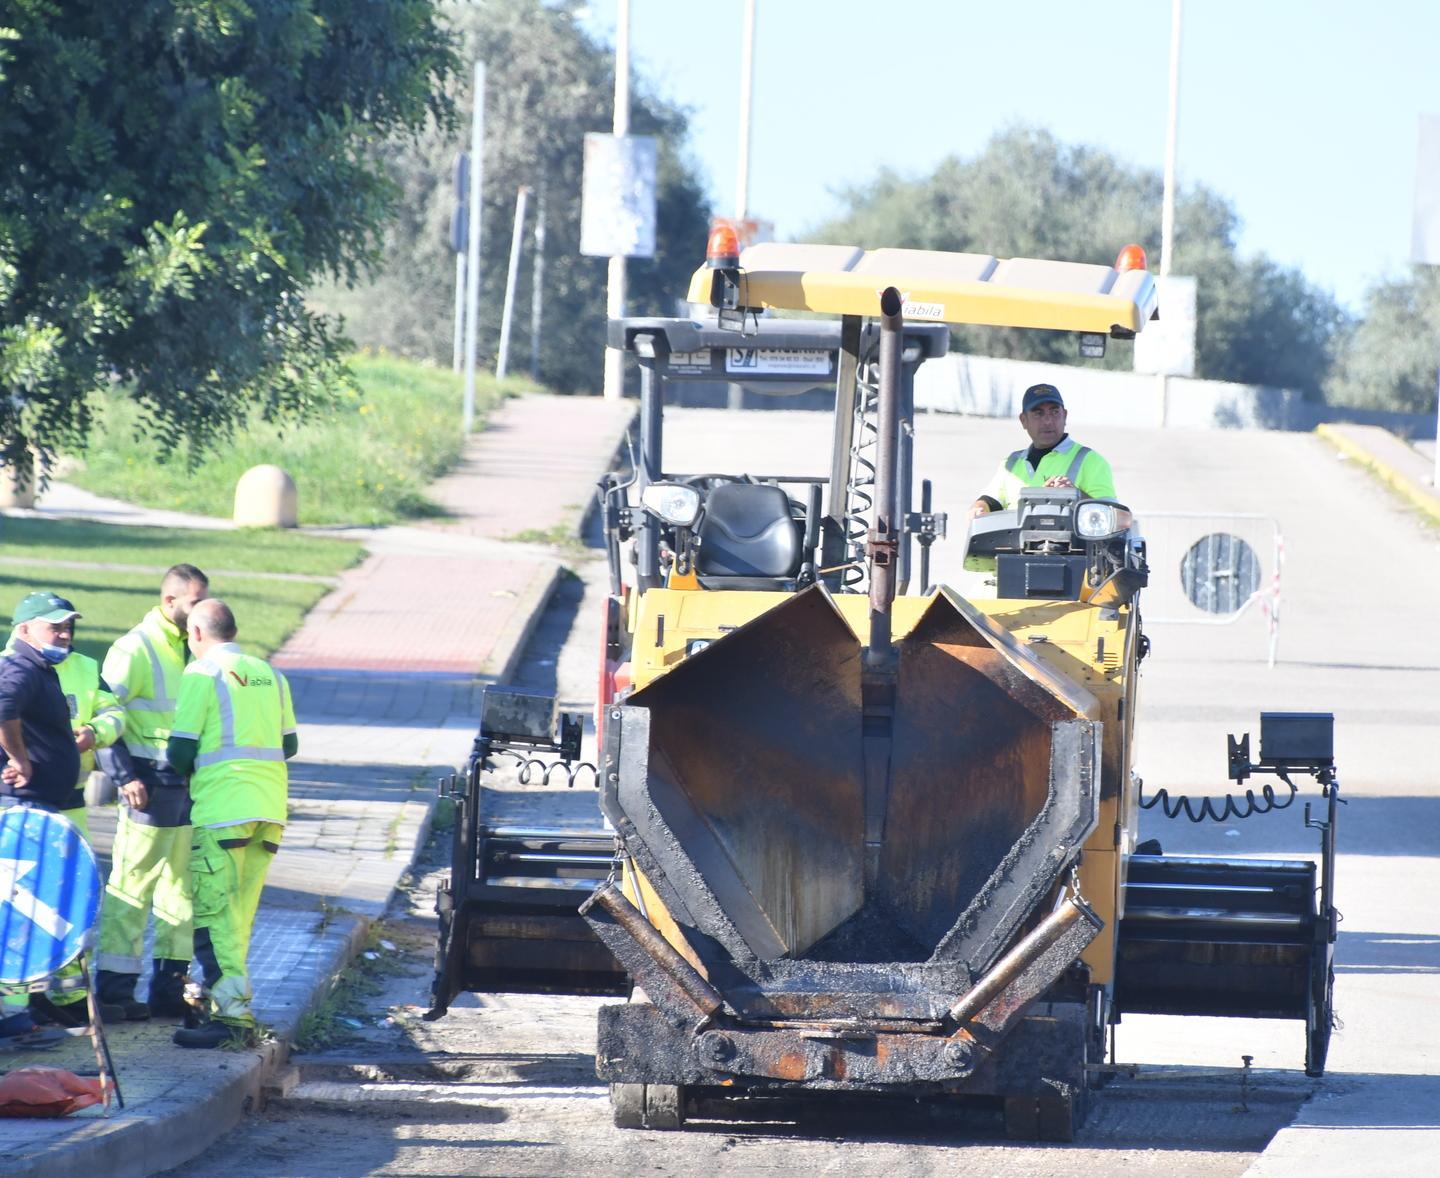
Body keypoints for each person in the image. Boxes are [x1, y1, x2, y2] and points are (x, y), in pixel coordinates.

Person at [167, 599, 297, 1048]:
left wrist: (191, 767)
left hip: (223, 811)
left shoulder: (201, 674)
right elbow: (290, 743)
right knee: (239, 916)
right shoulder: (270, 674)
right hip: (270, 810)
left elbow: (180, 751)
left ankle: (234, 1020)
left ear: (198, 634)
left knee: (214, 915)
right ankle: (232, 1006)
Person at [0, 592, 125, 1030]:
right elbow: (4, 711)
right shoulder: (17, 666)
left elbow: (114, 713)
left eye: (69, 625)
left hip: (61, 806)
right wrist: (18, 759)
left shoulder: (71, 666)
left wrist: (96, 731)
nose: (65, 633)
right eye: (55, 626)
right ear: (25, 629)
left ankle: (59, 999)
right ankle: (16, 1011)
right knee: (21, 904)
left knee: (65, 898)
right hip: (25, 811)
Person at [95, 564, 209, 1020]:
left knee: (182, 892)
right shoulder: (134, 648)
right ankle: (115, 993)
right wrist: (123, 776)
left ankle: (168, 989)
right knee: (132, 887)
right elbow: (101, 715)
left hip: (185, 787)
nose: (202, 608)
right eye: (195, 600)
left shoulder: (192, 648)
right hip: (146, 785)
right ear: (170, 602)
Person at [968, 383, 1117, 519]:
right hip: (1014, 547)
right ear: (1023, 420)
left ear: (1064, 416)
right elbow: (990, 500)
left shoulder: (1091, 461)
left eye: (1054, 412)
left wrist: (1075, 495)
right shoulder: (1011, 464)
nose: (1047, 421)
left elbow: (1114, 516)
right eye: (1038, 413)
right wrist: (979, 508)